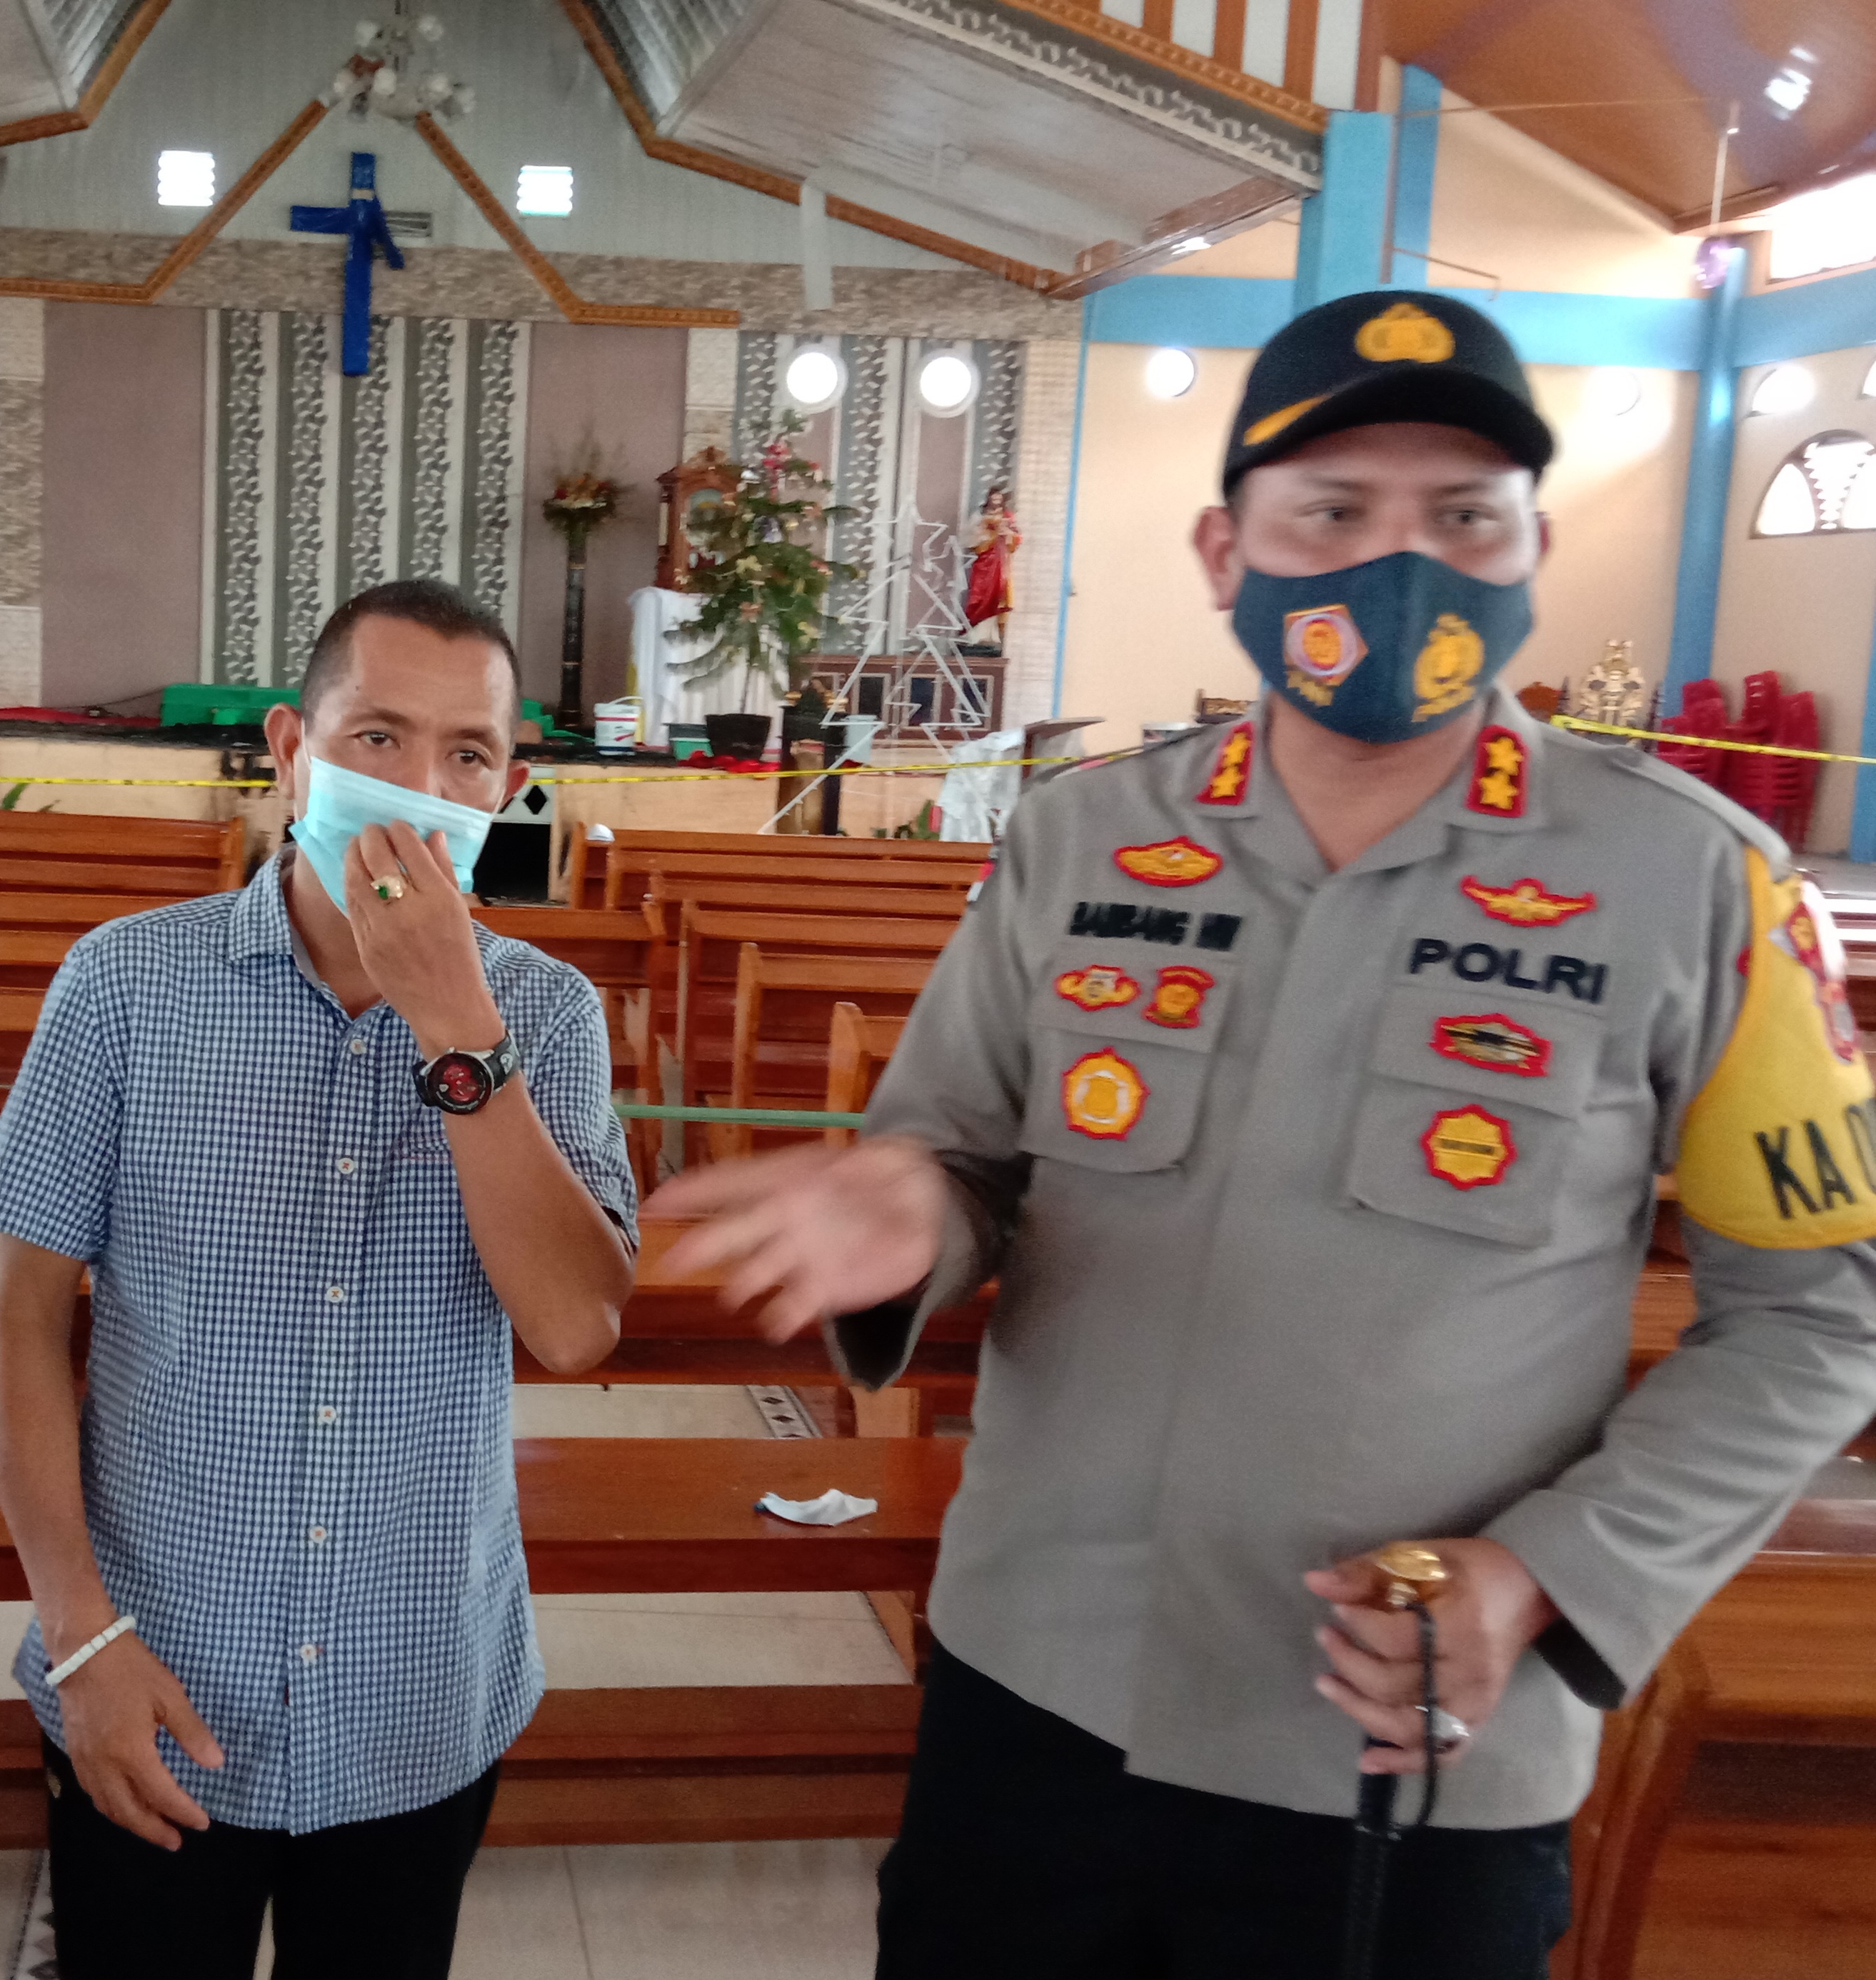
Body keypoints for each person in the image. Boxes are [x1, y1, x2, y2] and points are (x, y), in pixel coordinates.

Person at [656, 290, 1876, 1978]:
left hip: (1403, 1748)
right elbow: (956, 1154)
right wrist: (914, 1213)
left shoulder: (1700, 884)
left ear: (1530, 548)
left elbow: (1818, 1318)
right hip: (1038, 1696)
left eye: (1462, 514)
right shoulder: (1083, 847)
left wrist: (1549, 1577)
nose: (1399, 561)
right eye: (1332, 512)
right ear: (1229, 554)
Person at [0, 577, 638, 1979]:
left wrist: (456, 1023)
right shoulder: (127, 986)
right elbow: (22, 1320)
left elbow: (574, 1326)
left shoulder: (552, 1017)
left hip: (418, 1691)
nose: (419, 786)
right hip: (158, 1668)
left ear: (509, 785)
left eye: (467, 755)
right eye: (377, 738)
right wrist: (80, 1639)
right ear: (290, 751)